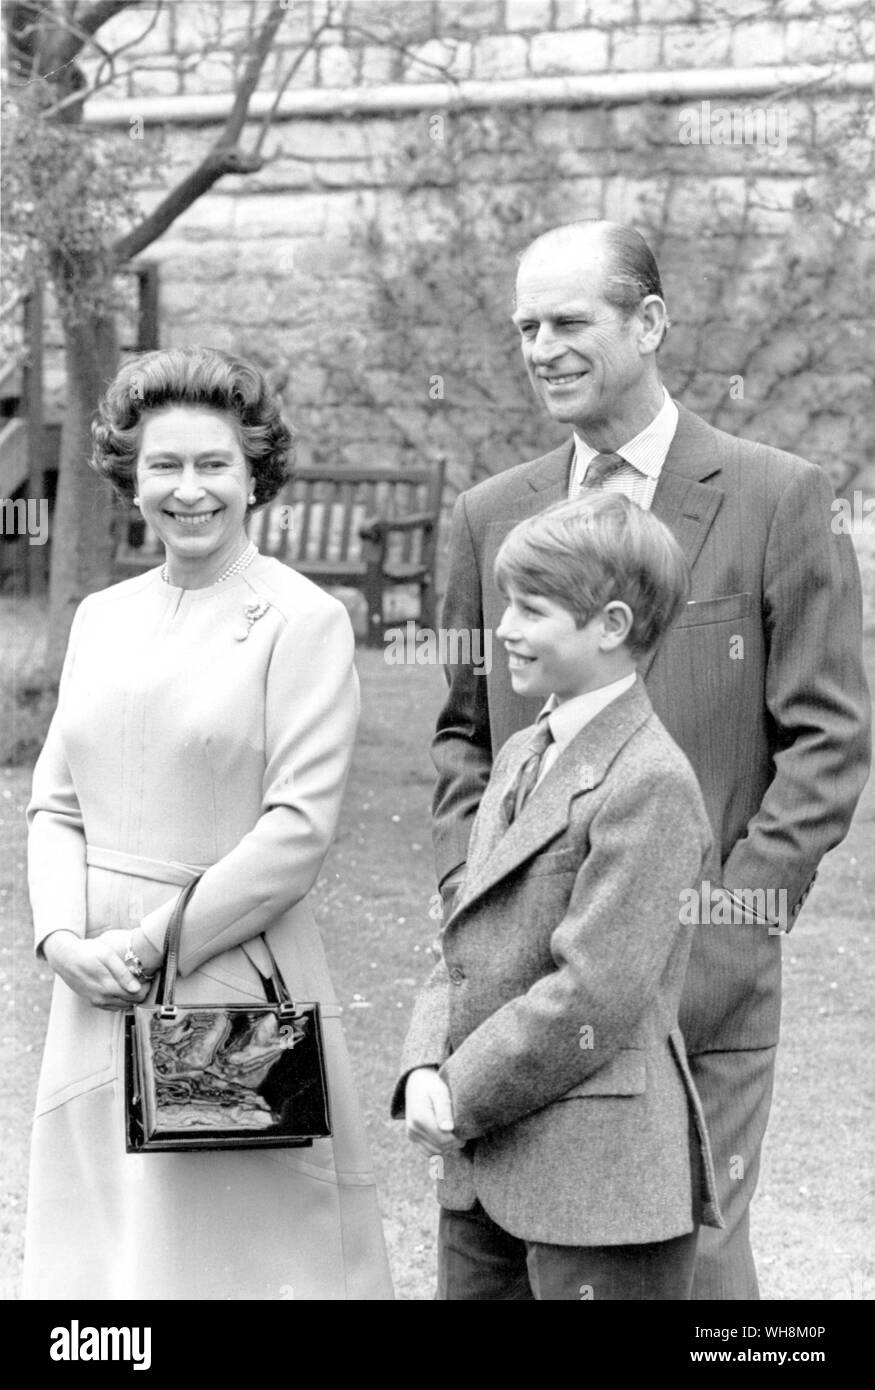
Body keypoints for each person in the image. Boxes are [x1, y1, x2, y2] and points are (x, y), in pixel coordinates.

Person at [430, 220, 871, 1300]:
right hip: (516, 1000)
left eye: (567, 322)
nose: (540, 347)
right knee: (513, 1263)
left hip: (696, 990)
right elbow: (459, 737)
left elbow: (826, 738)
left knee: (689, 1270)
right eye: (524, 326)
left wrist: (733, 925)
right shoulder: (490, 517)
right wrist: (472, 903)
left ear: (648, 323)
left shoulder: (777, 496)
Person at [24, 346, 393, 1300]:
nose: (189, 491)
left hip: (221, 979)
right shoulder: (101, 618)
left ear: (254, 472)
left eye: (213, 465)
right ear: (130, 477)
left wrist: (149, 944)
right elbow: (56, 803)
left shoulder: (300, 620)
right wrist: (63, 939)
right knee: (103, 1260)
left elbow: (296, 833)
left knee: (225, 1259)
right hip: (93, 985)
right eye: (164, 466)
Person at [396, 493, 723, 1300]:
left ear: (611, 626)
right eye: (507, 602)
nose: (503, 626)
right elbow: (461, 941)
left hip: (597, 1192)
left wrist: (458, 1091)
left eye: (531, 609)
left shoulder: (650, 781)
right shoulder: (517, 752)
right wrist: (419, 1069)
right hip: (481, 1176)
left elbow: (594, 993)